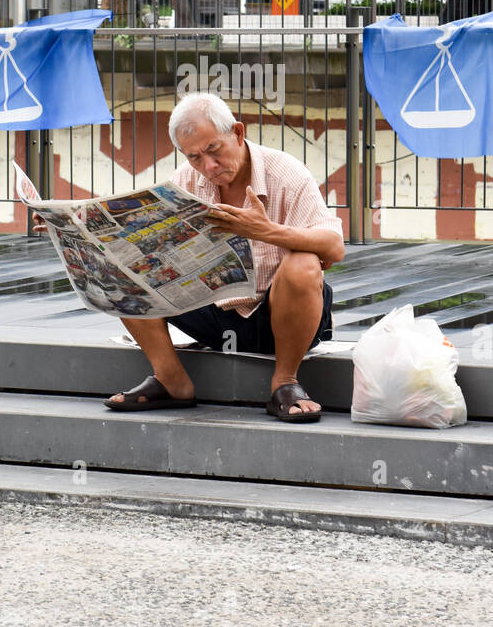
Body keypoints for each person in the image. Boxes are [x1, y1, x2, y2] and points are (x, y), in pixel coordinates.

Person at [106, 92, 345, 422]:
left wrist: (265, 231)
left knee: (304, 263)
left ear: (238, 132)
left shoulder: (286, 173)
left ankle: (285, 382)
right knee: (120, 268)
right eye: (195, 158)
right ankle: (172, 380)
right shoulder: (187, 180)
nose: (209, 167)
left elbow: (334, 247)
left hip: (280, 318)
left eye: (214, 150)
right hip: (213, 312)